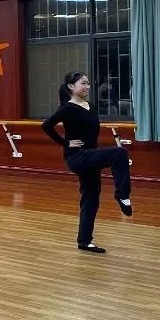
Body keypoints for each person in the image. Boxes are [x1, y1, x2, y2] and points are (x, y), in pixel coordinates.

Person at [41, 71, 132, 254]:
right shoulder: (67, 108)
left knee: (91, 199)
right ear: (71, 86)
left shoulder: (91, 106)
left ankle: (84, 241)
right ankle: (122, 195)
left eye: (88, 83)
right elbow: (46, 125)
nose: (87, 87)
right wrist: (66, 143)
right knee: (120, 153)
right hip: (77, 157)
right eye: (83, 83)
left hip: (90, 156)